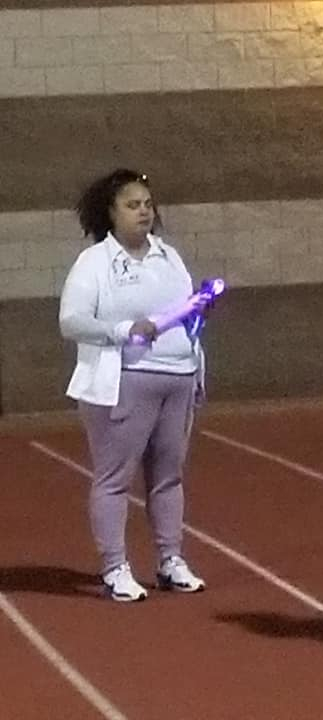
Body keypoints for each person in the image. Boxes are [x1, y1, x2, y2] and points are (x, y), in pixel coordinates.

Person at [59, 169, 208, 602]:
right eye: (132, 205)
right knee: (114, 479)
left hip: (178, 377)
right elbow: (71, 321)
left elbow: (183, 313)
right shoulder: (95, 263)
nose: (143, 212)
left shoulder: (169, 257)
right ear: (111, 212)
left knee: (168, 477)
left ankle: (170, 560)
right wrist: (123, 330)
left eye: (147, 204)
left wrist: (197, 319)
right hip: (123, 381)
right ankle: (115, 567)